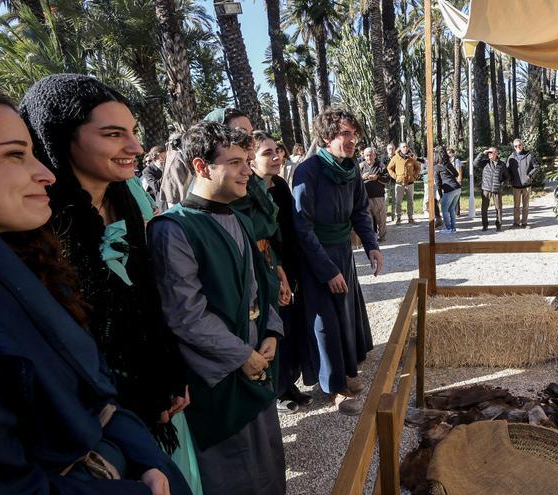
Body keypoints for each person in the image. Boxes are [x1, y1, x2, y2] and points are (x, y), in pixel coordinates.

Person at [0, 91, 191, 495]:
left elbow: (147, 299)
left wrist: (166, 371)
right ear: (63, 138)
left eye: (133, 132)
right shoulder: (46, 232)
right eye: (15, 155)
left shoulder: (123, 203)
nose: (134, 147)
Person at [148, 122, 286, 495]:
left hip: (256, 365)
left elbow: (261, 287)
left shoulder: (239, 217)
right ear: (201, 166)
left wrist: (271, 332)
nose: (246, 171)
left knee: (269, 469)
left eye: (247, 161)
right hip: (218, 380)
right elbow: (185, 315)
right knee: (236, 477)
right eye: (235, 162)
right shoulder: (172, 229)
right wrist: (242, 355)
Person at [292, 108, 384, 416]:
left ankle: (346, 373)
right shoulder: (308, 171)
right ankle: (333, 388)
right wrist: (327, 270)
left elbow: (360, 210)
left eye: (354, 135)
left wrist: (371, 245)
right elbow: (302, 226)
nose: (352, 140)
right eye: (345, 134)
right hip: (317, 257)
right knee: (325, 322)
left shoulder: (350, 168)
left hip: (343, 251)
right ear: (328, 136)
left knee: (345, 314)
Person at [245, 130, 313, 413]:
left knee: (289, 327)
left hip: (287, 267)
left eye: (278, 151)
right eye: (267, 153)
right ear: (251, 161)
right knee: (270, 329)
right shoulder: (246, 193)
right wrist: (277, 272)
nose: (276, 157)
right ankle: (275, 390)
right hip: (267, 271)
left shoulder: (281, 186)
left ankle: (287, 382)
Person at [506, 138, 539, 228]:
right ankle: (516, 223)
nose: (518, 147)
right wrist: (509, 180)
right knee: (516, 206)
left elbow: (536, 167)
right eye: (516, 146)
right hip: (516, 185)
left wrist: (530, 176)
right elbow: (507, 171)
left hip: (526, 185)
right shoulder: (511, 157)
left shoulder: (529, 155)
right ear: (514, 147)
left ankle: (524, 223)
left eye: (519, 145)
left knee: (525, 206)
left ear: (522, 145)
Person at [475, 147, 508, 231]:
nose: (489, 154)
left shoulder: (502, 164)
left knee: (498, 208)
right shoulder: (485, 163)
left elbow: (507, 177)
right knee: (484, 208)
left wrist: (501, 185)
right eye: (488, 153)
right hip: (486, 189)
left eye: (491, 152)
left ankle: (499, 225)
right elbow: (475, 163)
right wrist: (482, 153)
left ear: (497, 153)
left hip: (497, 189)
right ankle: (485, 225)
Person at [387, 141, 420, 225]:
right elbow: (389, 168)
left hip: (410, 183)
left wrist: (414, 176)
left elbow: (418, 168)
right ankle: (398, 218)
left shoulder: (411, 158)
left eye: (406, 146)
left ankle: (410, 218)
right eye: (403, 147)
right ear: (400, 148)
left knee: (410, 201)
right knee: (398, 202)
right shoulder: (395, 158)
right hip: (399, 183)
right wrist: (396, 176)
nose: (405, 148)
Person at [361, 146, 389, 241]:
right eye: (367, 155)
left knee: (381, 219)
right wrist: (362, 178)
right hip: (365, 197)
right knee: (367, 219)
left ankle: (382, 237)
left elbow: (387, 179)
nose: (369, 157)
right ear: (364, 156)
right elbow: (352, 182)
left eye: (371, 155)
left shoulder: (381, 166)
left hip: (378, 197)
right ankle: (370, 238)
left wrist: (377, 178)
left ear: (375, 155)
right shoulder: (360, 166)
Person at [433, 146, 462, 233]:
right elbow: (456, 174)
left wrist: (440, 195)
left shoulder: (436, 167)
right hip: (457, 188)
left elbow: (438, 183)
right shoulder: (448, 164)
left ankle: (448, 228)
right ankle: (453, 228)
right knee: (452, 208)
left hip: (449, 190)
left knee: (444, 209)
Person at [447, 147, 463, 216]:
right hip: (449, 180)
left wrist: (459, 180)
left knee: (456, 196)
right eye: (447, 153)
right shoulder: (447, 161)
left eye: (450, 153)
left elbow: (459, 171)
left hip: (456, 180)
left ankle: (457, 212)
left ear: (453, 153)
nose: (449, 154)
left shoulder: (456, 161)